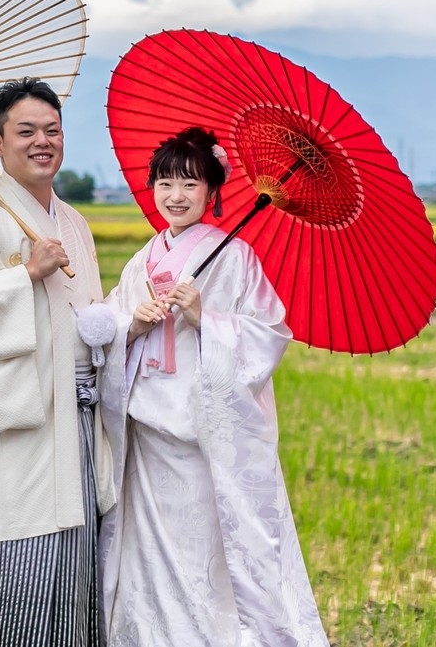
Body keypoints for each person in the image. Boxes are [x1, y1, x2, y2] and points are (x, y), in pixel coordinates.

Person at [96, 126, 328, 647]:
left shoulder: (235, 258)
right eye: (165, 183)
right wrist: (132, 324)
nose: (175, 196)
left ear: (212, 192)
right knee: (148, 559)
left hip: (201, 438)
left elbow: (269, 333)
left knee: (204, 557)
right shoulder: (143, 260)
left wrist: (206, 318)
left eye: (190, 185)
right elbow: (109, 322)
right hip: (147, 438)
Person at [0, 76, 114, 647]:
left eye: (52, 130)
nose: (42, 141)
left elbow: (87, 317)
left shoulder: (75, 224)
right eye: (26, 131)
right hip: (24, 422)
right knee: (23, 559)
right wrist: (24, 275)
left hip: (80, 418)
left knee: (80, 557)